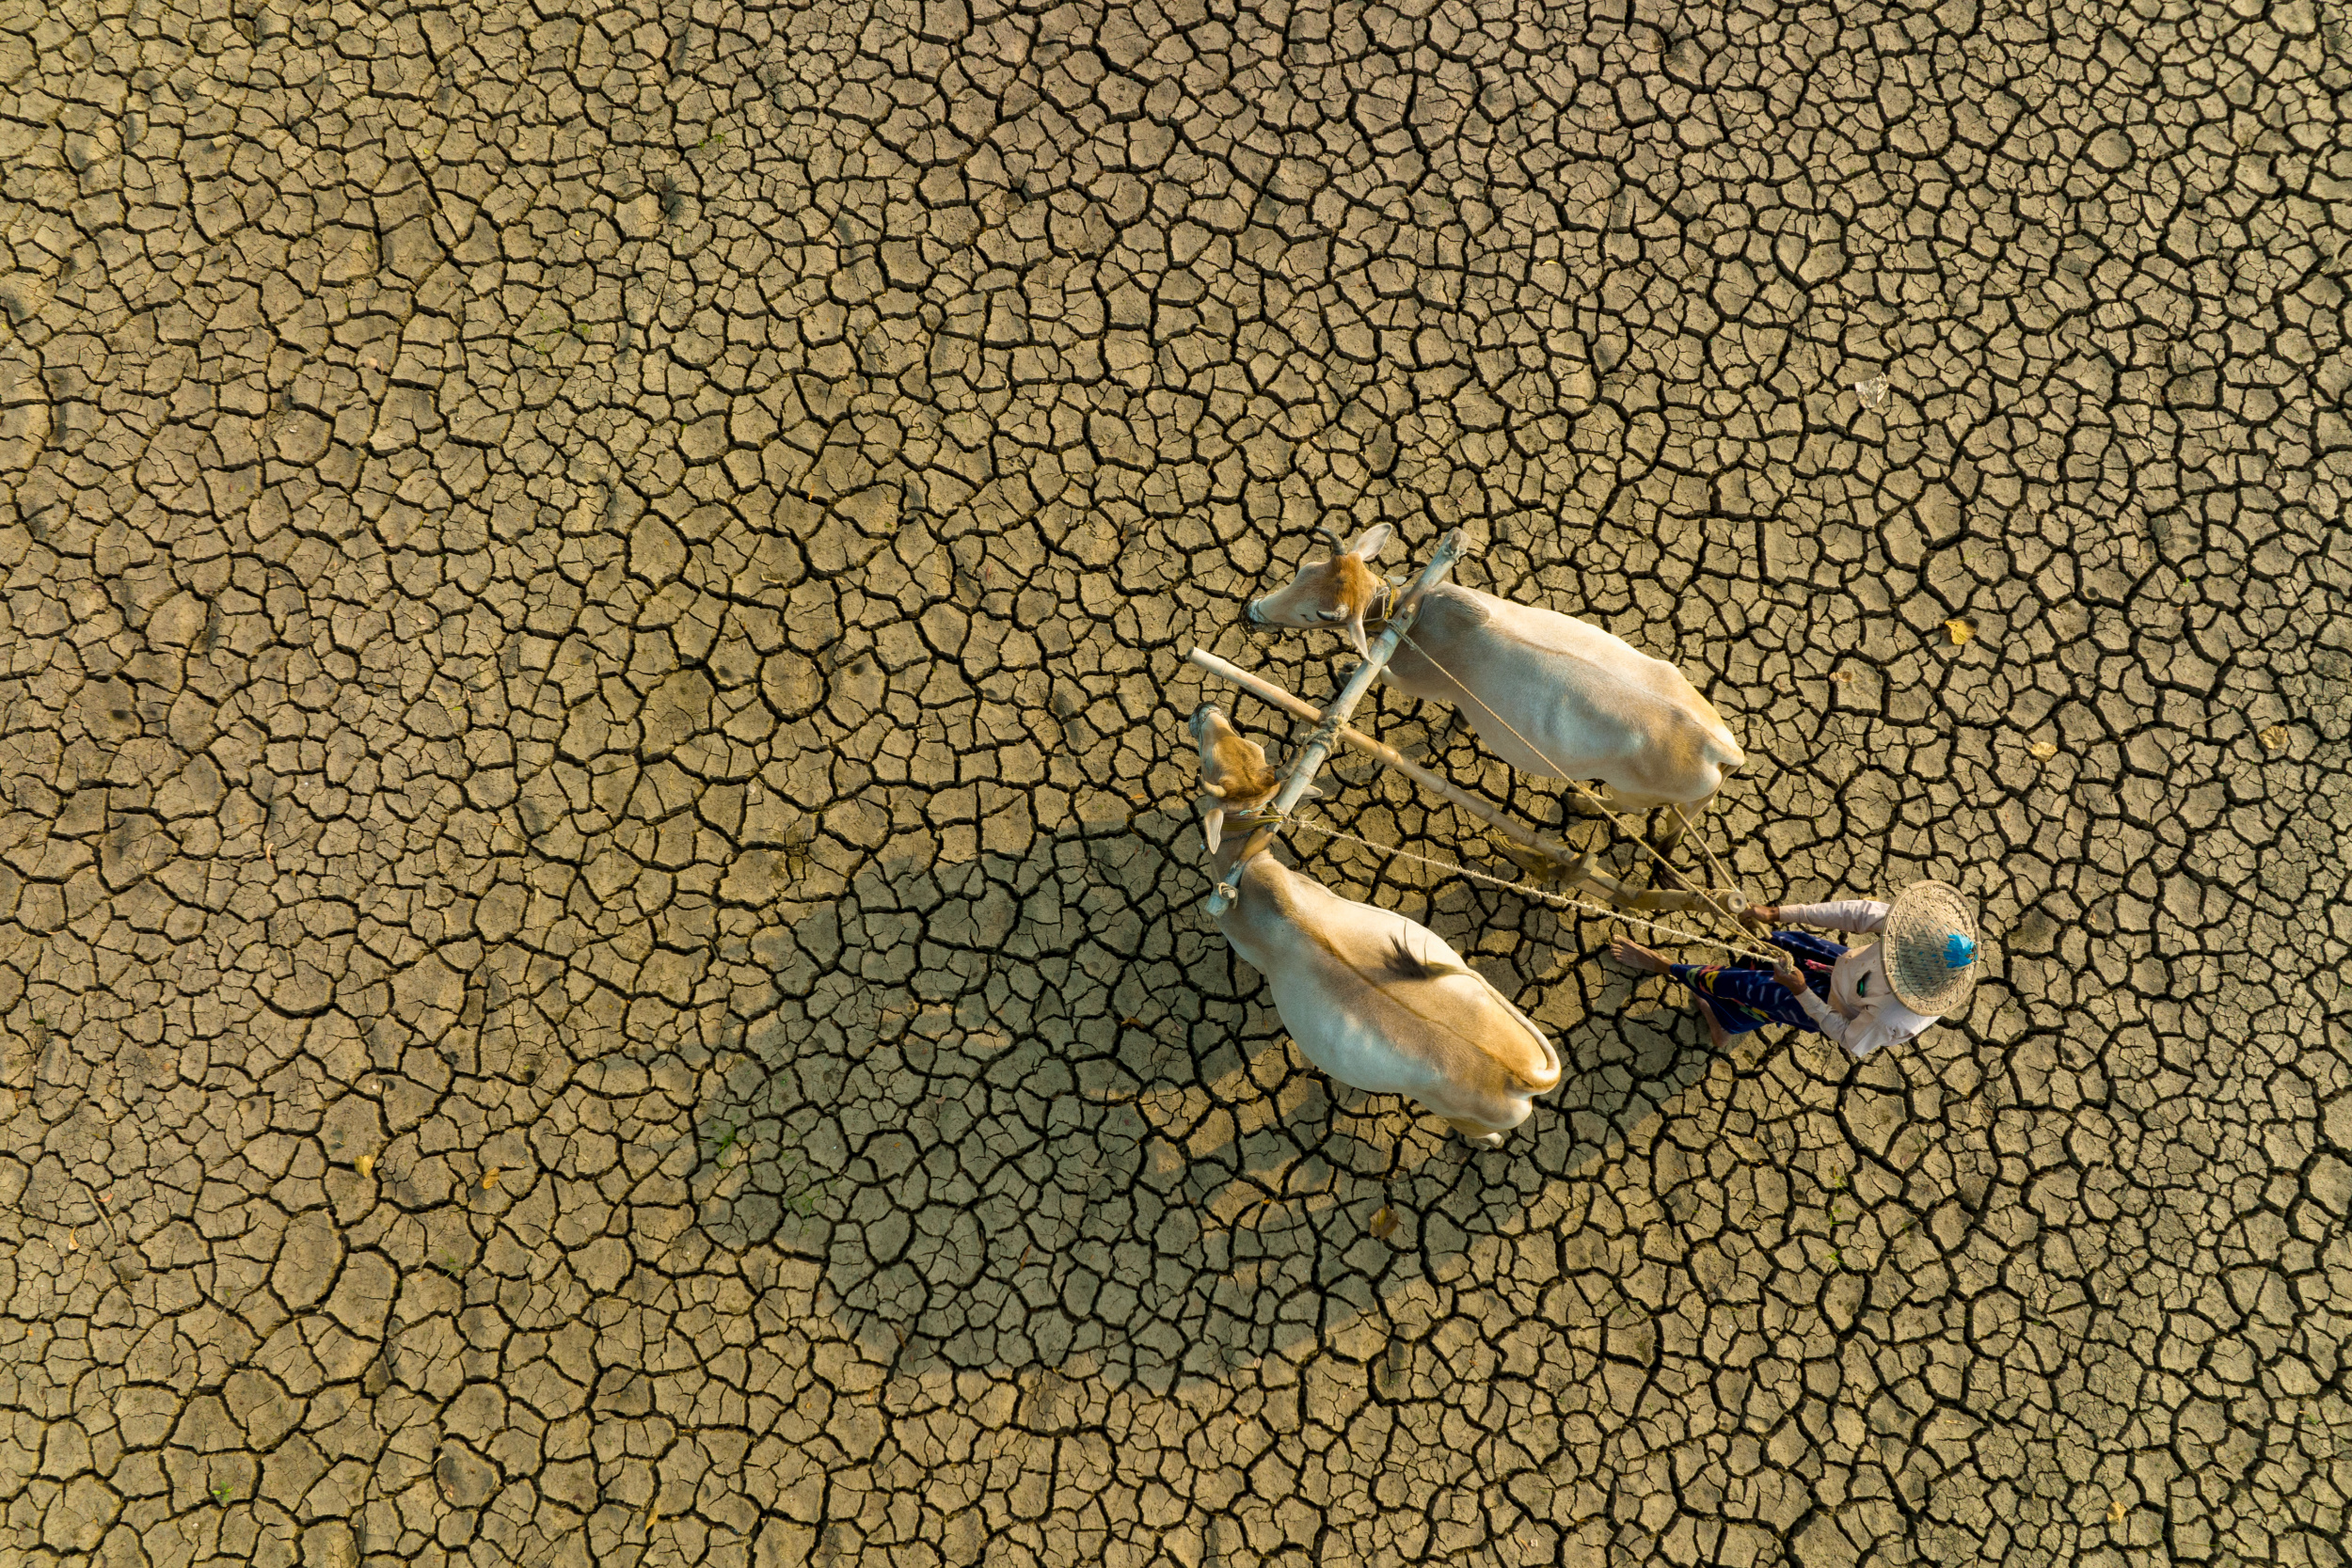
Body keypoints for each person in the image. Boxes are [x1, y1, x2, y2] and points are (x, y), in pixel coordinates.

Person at [1607, 881, 1978, 1057]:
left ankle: (1662, 964)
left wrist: (1801, 991)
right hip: (1843, 967)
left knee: (1742, 984)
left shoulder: (1892, 1016)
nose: (1896, 938)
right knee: (1775, 944)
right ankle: (1727, 1024)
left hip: (1833, 1005)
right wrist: (1777, 913)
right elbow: (1858, 914)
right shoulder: (1919, 931)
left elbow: (1847, 1036)